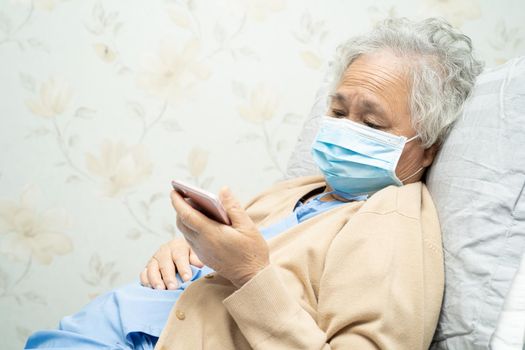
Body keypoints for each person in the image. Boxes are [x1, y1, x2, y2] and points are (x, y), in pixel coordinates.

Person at [25, 17, 484, 350]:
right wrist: (185, 256)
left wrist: (247, 273)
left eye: (372, 122)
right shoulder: (304, 190)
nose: (344, 130)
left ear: (428, 148)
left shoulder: (393, 221)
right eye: (339, 113)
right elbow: (231, 262)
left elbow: (257, 277)